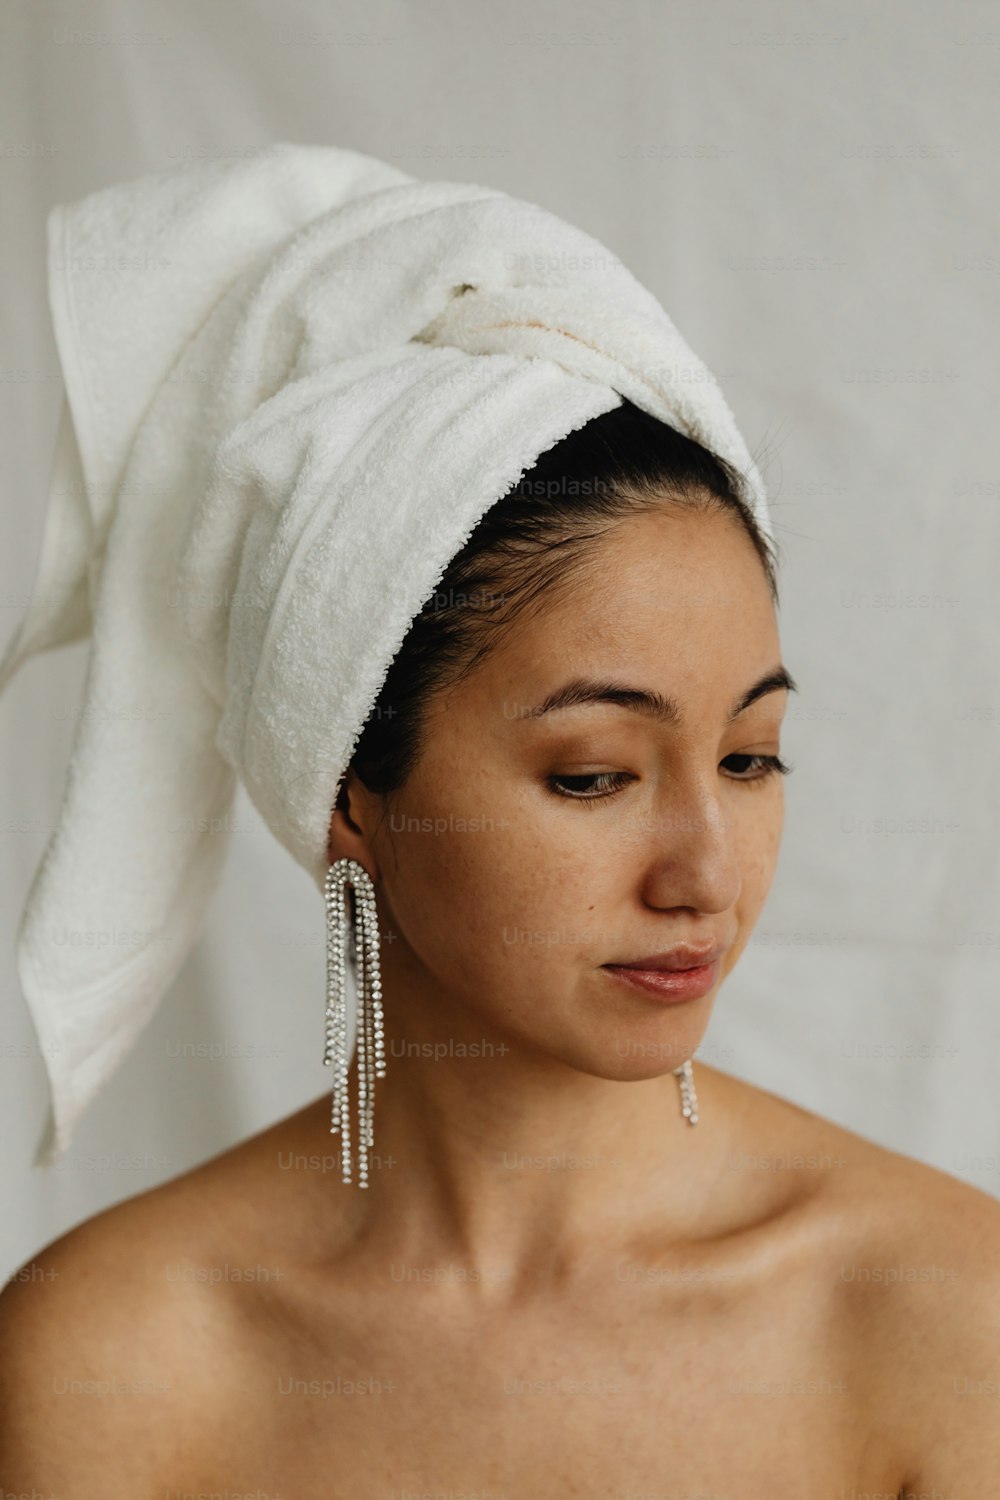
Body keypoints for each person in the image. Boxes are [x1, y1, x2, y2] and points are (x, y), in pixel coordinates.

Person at [1, 398, 998, 1493]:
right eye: (593, 775)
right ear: (351, 793)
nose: (707, 878)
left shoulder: (942, 1316)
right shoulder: (109, 1355)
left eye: (747, 759)